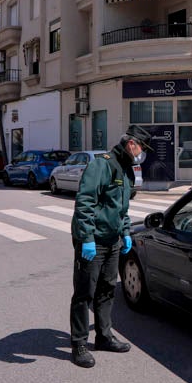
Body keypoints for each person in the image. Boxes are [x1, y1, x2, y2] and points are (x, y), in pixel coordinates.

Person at [69, 124, 153, 368]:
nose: (142, 153)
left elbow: (121, 208)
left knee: (106, 290)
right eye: (141, 148)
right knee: (84, 293)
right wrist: (86, 238)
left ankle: (104, 337)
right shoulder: (101, 165)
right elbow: (84, 203)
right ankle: (79, 344)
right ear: (131, 144)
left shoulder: (126, 170)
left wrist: (125, 232)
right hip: (93, 241)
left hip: (113, 240)